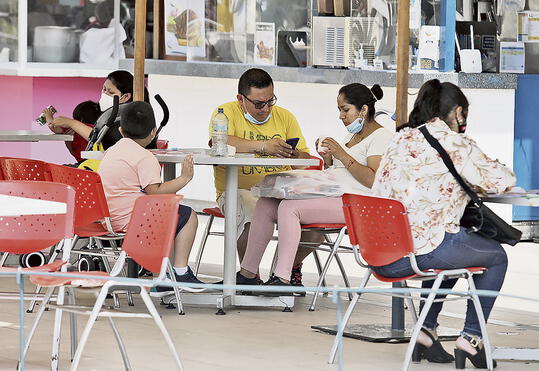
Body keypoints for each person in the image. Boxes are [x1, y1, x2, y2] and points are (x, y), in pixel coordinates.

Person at [371, 79, 515, 368]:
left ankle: (426, 331)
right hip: (417, 253)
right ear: (458, 112)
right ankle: (472, 339)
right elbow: (503, 181)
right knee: (496, 257)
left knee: (452, 244)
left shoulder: (399, 138)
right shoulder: (453, 142)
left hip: (379, 253)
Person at [236, 83, 393, 294]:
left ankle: (282, 278)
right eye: (339, 110)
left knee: (290, 208)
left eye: (345, 110)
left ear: (363, 110)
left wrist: (341, 154)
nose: (341, 116)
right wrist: (328, 160)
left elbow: (373, 180)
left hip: (359, 203)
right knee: (266, 204)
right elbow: (342, 174)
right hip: (336, 196)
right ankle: (247, 275)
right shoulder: (351, 137)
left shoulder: (382, 137)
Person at [210, 68, 322, 290]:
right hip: (238, 191)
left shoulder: (285, 116)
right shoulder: (225, 113)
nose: (266, 108)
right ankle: (250, 276)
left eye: (270, 101)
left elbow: (305, 157)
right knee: (253, 211)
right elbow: (219, 143)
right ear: (240, 99)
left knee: (316, 230)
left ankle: (287, 269)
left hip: (280, 192)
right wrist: (263, 146)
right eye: (259, 104)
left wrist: (292, 153)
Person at [98, 101, 204, 293]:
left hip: (108, 220)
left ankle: (164, 277)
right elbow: (155, 191)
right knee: (188, 216)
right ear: (154, 132)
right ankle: (180, 272)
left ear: (121, 130)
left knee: (171, 214)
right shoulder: (145, 157)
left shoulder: (111, 151)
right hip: (134, 221)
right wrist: (185, 178)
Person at [45, 70, 151, 151]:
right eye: (104, 89)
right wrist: (57, 124)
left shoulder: (128, 118)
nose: (104, 94)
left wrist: (72, 123)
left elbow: (100, 138)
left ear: (125, 97)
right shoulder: (107, 114)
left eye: (110, 92)